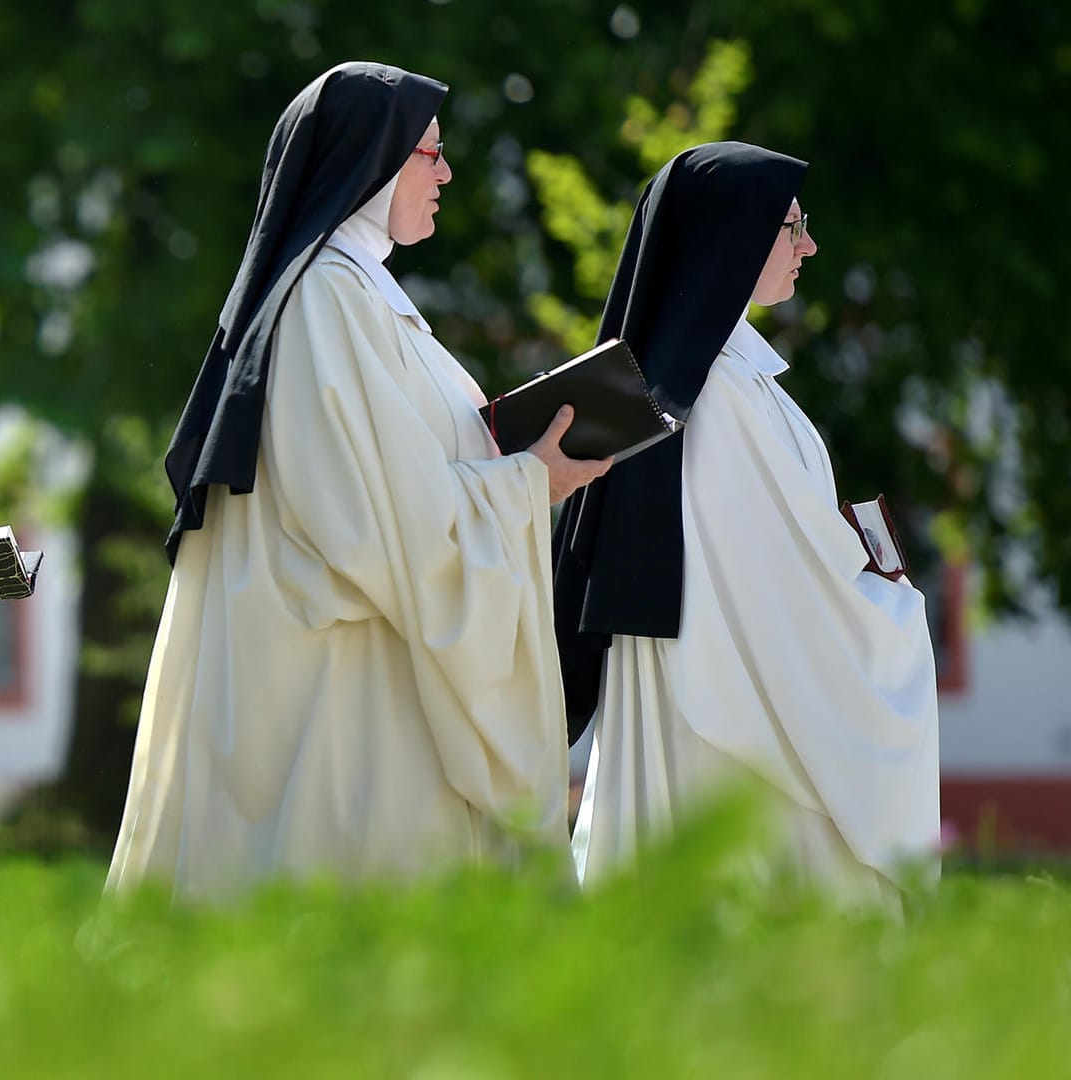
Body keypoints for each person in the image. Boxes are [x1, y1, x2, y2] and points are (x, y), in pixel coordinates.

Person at [107, 62, 610, 902]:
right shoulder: (326, 302)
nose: (446, 173)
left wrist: (515, 468)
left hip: (367, 676)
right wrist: (529, 484)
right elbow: (384, 526)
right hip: (338, 700)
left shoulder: (364, 296)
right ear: (370, 163)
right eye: (428, 153)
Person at [555, 142, 941, 907]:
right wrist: (891, 610)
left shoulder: (718, 379)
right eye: (792, 225)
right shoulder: (718, 396)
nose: (809, 245)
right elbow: (783, 586)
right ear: (732, 235)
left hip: (724, 685)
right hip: (734, 709)